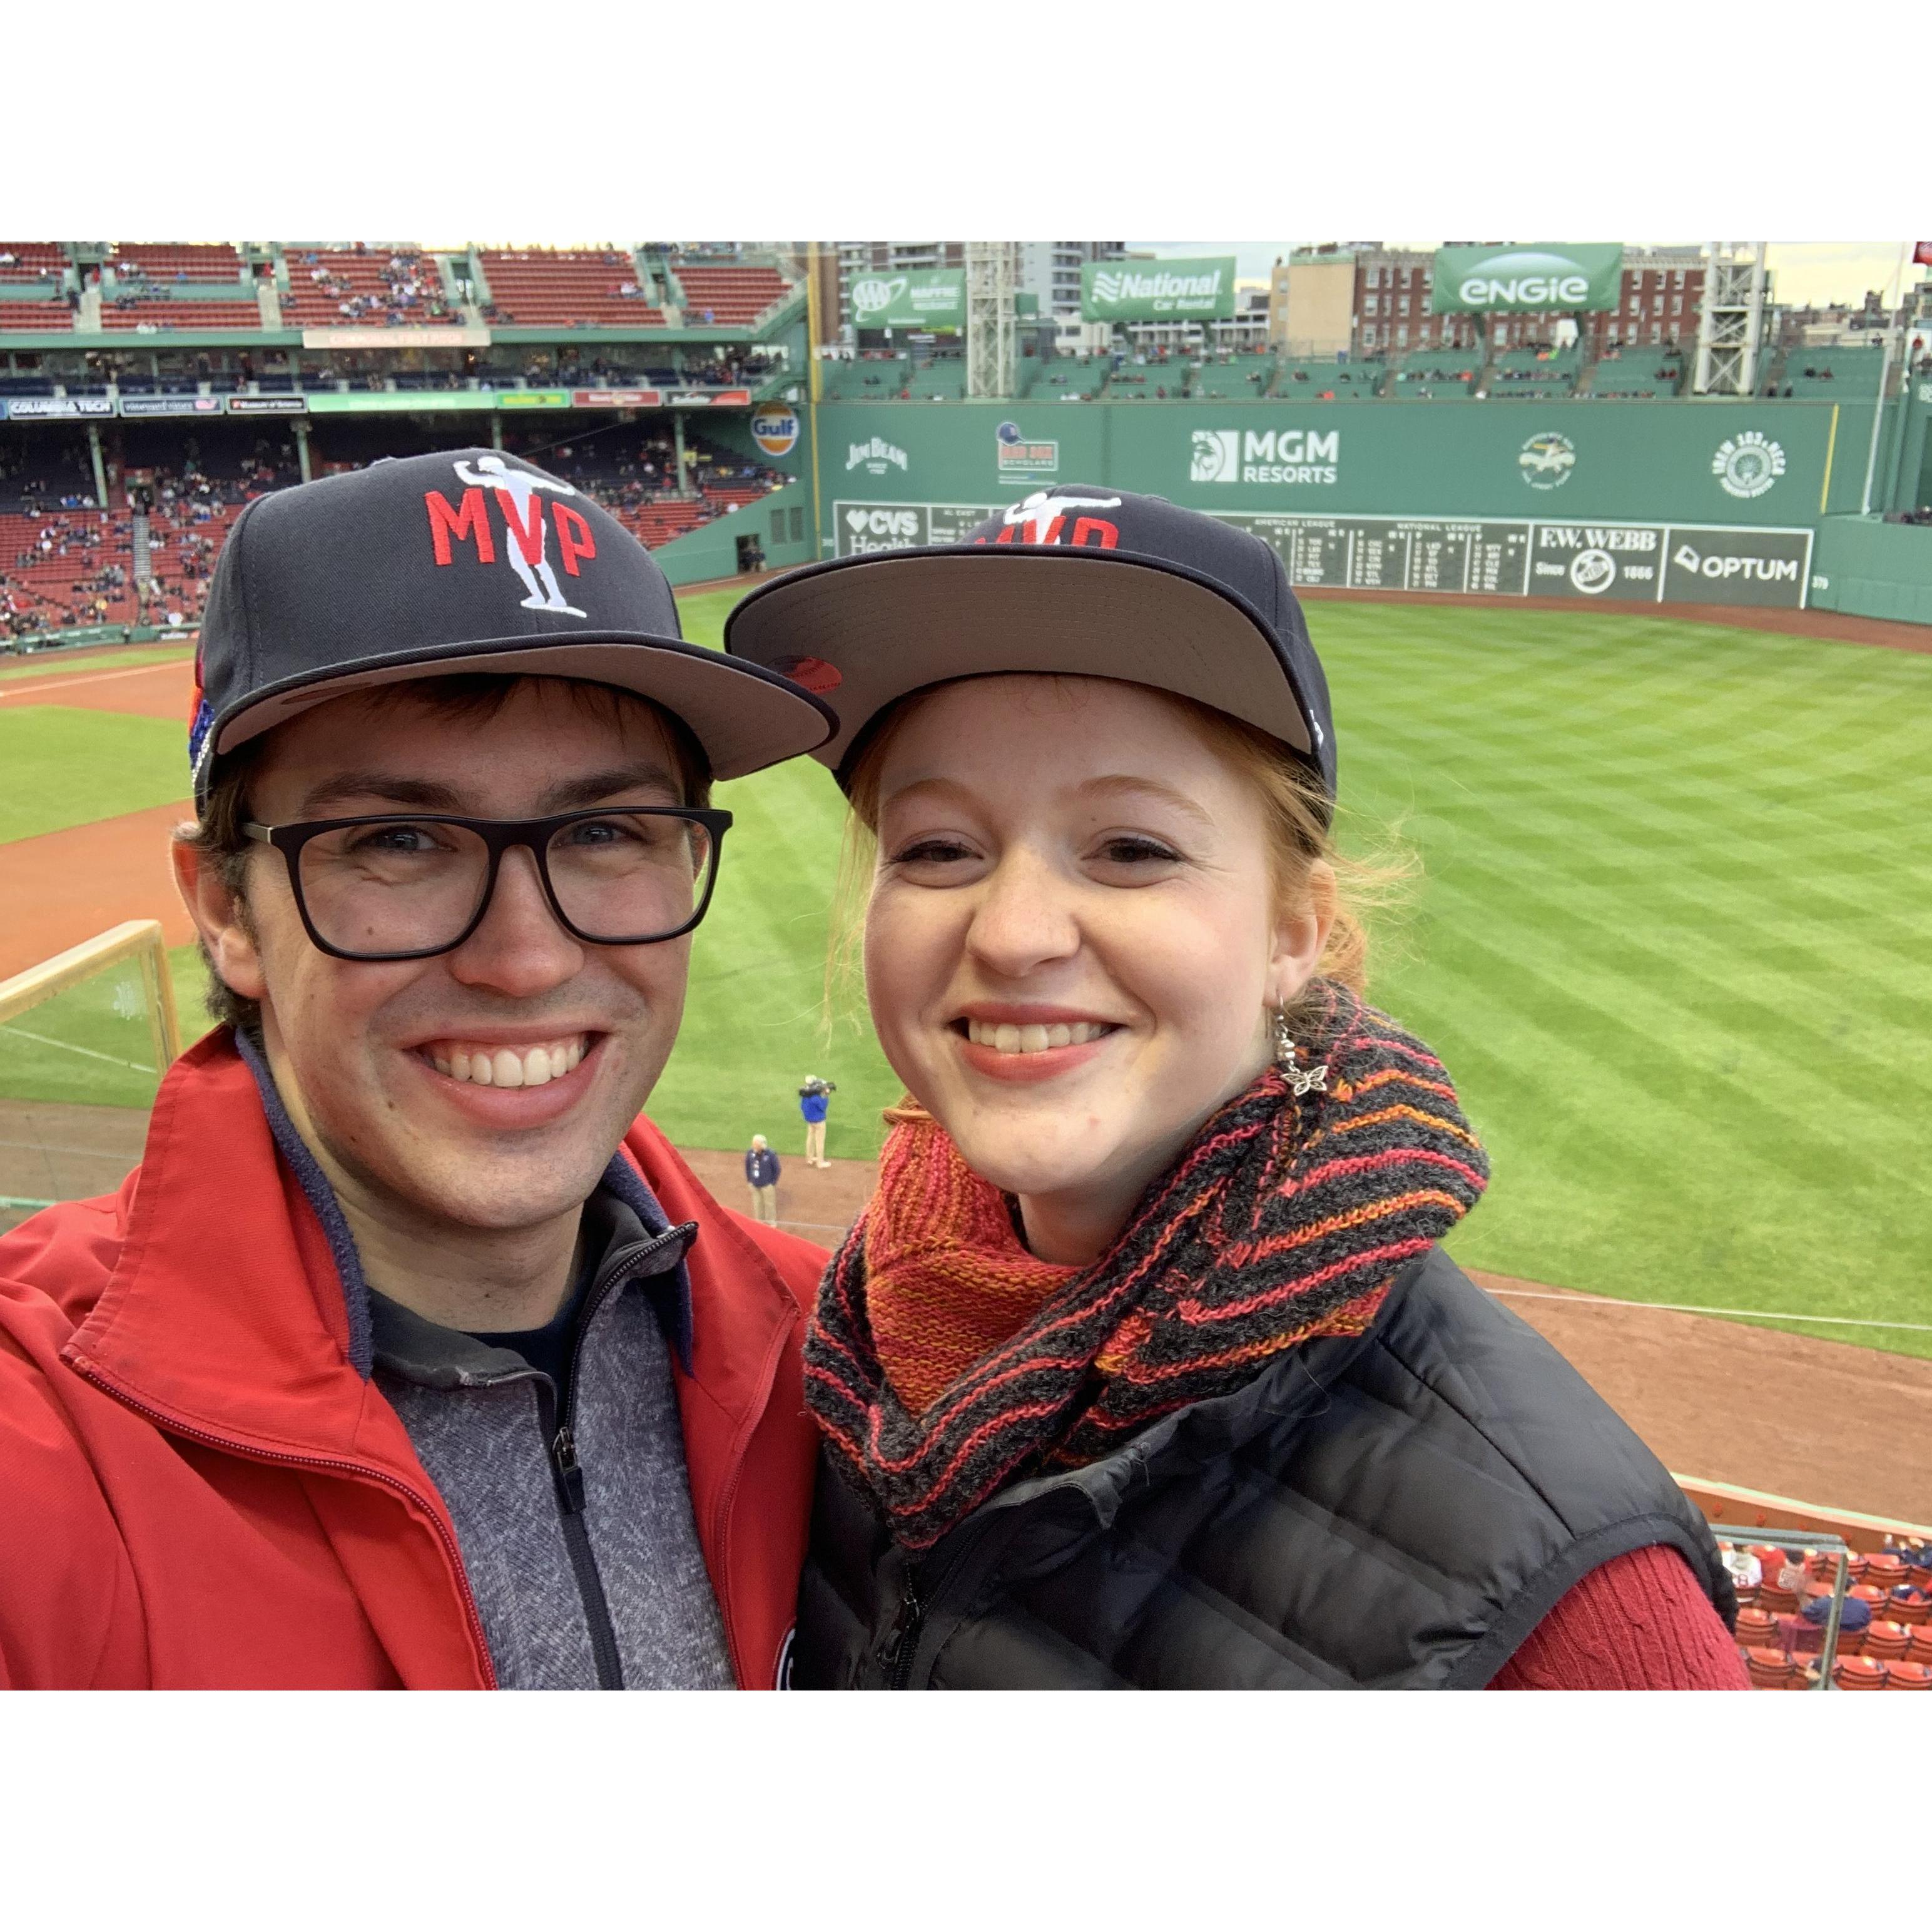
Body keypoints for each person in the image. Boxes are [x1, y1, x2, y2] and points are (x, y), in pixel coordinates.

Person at [727, 484, 1747, 1690]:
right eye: (939, 847)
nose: (1009, 934)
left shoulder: (1573, 1607)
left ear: (1292, 930)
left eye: (1130, 849)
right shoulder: (844, 1358)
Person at [0, 450, 841, 1690]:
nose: (525, 956)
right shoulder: (46, 1442)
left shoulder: (829, 1358)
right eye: (397, 839)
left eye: (605, 829)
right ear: (228, 907)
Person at [745, 1134, 781, 1224]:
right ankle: (759, 1223)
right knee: (758, 1204)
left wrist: (773, 1182)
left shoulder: (771, 1155)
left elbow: (777, 1169)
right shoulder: (750, 1153)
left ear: (761, 1145)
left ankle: (771, 1223)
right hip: (755, 1184)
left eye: (755, 1144)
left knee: (769, 1205)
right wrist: (750, 1181)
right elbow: (748, 1167)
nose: (753, 1146)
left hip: (767, 1185)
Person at [798, 1075, 833, 1168]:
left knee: (810, 1138)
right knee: (820, 1141)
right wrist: (826, 1095)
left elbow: (802, 1107)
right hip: (819, 1121)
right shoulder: (816, 1097)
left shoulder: (805, 1095)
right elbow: (823, 1107)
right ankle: (820, 1163)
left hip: (810, 1121)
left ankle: (809, 1158)